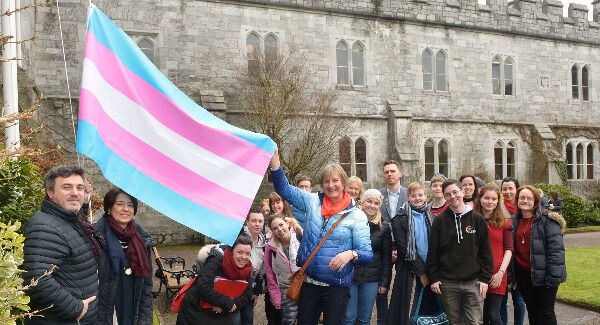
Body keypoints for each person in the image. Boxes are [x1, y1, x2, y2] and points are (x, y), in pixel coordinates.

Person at [270, 148, 373, 325]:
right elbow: (284, 189)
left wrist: (351, 254)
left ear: (343, 183)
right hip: (309, 283)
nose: (331, 185)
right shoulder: (312, 202)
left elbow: (367, 254)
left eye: (335, 181)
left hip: (337, 287)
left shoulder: (357, 215)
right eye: (326, 181)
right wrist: (275, 158)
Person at [22, 165, 99, 324]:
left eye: (79, 188)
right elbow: (36, 279)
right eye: (66, 187)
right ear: (50, 192)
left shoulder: (69, 219)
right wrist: (75, 308)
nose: (75, 193)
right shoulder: (44, 227)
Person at [427, 179, 493, 325]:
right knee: (455, 321)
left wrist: (484, 278)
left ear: (462, 192)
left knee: (475, 322)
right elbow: (433, 253)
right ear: (444, 197)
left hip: (473, 282)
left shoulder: (477, 219)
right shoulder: (439, 221)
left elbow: (486, 252)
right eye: (448, 194)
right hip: (447, 283)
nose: (452, 196)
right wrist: (434, 278)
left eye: (455, 192)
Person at [95, 188, 153, 325]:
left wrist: (145, 320)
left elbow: (147, 287)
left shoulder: (142, 240)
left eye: (130, 205)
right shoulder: (97, 237)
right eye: (120, 204)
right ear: (109, 207)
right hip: (107, 310)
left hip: (132, 305)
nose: (126, 209)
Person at [511, 185, 566, 325]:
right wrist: (514, 276)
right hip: (523, 275)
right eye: (522, 198)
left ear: (536, 201)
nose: (525, 201)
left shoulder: (547, 221)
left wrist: (552, 278)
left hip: (544, 275)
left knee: (546, 313)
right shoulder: (514, 221)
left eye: (529, 198)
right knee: (532, 311)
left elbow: (556, 252)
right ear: (517, 200)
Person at [176, 234, 255, 325]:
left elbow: (247, 294)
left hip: (221, 311)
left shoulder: (247, 268)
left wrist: (231, 305)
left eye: (247, 253)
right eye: (239, 252)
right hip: (196, 310)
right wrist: (227, 303)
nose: (244, 257)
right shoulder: (215, 260)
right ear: (231, 251)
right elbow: (203, 286)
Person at [388, 182, 436, 325]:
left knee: (428, 310)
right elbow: (404, 248)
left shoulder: (431, 216)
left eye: (420, 195)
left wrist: (431, 270)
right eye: (413, 196)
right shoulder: (399, 219)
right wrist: (421, 273)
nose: (417, 198)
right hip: (410, 271)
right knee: (409, 310)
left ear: (425, 196)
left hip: (430, 268)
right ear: (408, 197)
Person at [343, 189, 392, 325]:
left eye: (376, 203)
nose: (372, 205)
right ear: (363, 202)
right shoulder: (351, 220)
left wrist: (384, 283)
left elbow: (386, 258)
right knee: (349, 317)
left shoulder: (384, 227)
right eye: (369, 201)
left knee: (364, 319)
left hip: (372, 279)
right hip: (351, 276)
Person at [473, 184, 513, 325]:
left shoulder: (504, 222)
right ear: (480, 199)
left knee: (494, 315)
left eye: (494, 199)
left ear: (498, 201)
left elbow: (508, 249)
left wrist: (501, 272)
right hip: (477, 274)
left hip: (497, 275)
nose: (490, 202)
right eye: (486, 198)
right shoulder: (472, 221)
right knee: (480, 316)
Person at [378, 160, 407, 325]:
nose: (390, 174)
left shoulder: (409, 194)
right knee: (382, 287)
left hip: (403, 247)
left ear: (400, 173)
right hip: (384, 246)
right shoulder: (379, 195)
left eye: (393, 171)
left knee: (402, 287)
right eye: (387, 172)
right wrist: (389, 249)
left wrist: (399, 248)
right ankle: (383, 320)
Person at [264, 214, 303, 325]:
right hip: (286, 288)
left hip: (305, 285)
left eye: (281, 225)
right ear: (272, 231)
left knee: (305, 319)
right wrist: (275, 297)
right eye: (275, 228)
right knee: (288, 320)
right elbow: (270, 274)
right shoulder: (270, 248)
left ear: (287, 223)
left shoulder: (301, 236)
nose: (279, 230)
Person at [498, 177, 526, 325]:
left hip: (519, 261)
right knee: (501, 299)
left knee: (518, 299)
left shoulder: (523, 209)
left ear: (517, 190)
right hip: (502, 259)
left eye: (511, 188)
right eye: (504, 189)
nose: (507, 192)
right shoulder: (498, 208)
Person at [240, 207, 266, 325]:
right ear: (247, 221)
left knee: (248, 320)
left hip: (249, 291)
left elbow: (261, 271)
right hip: (234, 288)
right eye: (254, 220)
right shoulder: (238, 238)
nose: (257, 224)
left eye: (260, 221)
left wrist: (256, 291)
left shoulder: (264, 242)